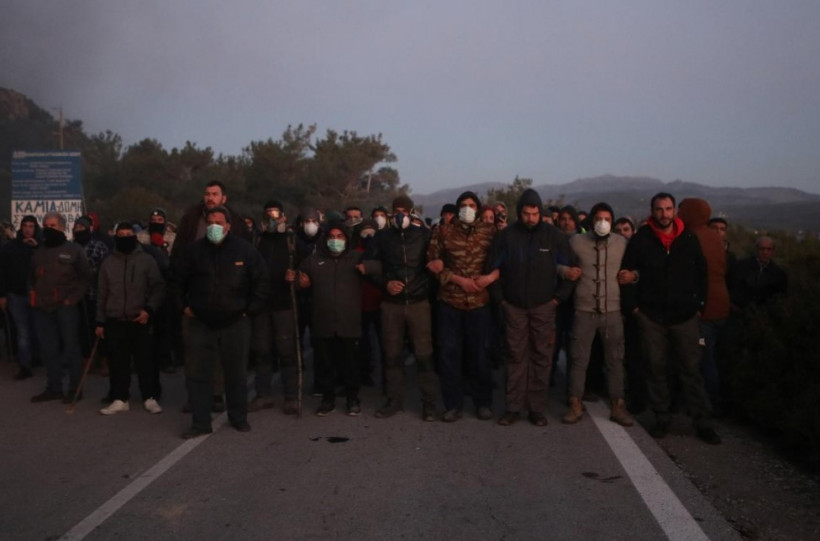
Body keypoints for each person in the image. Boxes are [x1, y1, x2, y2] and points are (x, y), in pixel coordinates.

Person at [619, 193, 720, 445]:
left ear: (675, 211)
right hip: (651, 316)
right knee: (656, 368)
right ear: (652, 211)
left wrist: (699, 307)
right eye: (659, 209)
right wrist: (633, 308)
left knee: (691, 370)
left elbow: (701, 273)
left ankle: (703, 422)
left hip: (685, 316)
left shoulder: (688, 238)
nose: (664, 214)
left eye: (668, 209)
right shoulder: (641, 239)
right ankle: (662, 417)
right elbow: (626, 273)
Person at [173, 206, 269, 438]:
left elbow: (261, 282)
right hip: (200, 322)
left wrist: (250, 310)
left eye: (219, 222)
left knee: (236, 373)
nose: (214, 226)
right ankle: (200, 423)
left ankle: (238, 418)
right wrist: (183, 307)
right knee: (198, 375)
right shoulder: (193, 252)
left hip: (235, 322)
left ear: (228, 225)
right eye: (210, 222)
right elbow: (176, 281)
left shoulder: (245, 251)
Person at [490, 189, 573, 427]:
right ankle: (513, 408)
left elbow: (571, 270)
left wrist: (558, 299)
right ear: (519, 213)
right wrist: (501, 301)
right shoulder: (506, 237)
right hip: (513, 306)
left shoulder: (554, 237)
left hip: (544, 307)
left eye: (535, 213)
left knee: (542, 357)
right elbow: (492, 269)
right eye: (526, 213)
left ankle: (536, 409)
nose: (531, 218)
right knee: (516, 357)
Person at [362, 195, 438, 421]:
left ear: (412, 211)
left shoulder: (424, 235)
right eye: (396, 210)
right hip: (391, 305)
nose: (400, 214)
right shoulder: (382, 238)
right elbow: (369, 267)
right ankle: (394, 401)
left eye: (404, 210)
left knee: (424, 356)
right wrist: (386, 284)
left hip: (418, 304)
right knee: (392, 355)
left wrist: (424, 289)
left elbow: (434, 267)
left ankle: (429, 404)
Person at [427, 191, 497, 422]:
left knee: (480, 356)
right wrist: (460, 281)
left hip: (479, 303)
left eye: (472, 205)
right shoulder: (443, 232)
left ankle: (483, 403)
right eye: (464, 205)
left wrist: (489, 278)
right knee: (449, 355)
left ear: (478, 208)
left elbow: (503, 262)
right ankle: (452, 405)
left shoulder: (490, 233)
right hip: (450, 303)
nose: (468, 208)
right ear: (457, 208)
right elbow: (434, 265)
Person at [561, 202, 633, 427]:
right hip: (584, 310)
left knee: (615, 360)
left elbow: (635, 269)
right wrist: (565, 271)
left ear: (612, 221)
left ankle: (618, 407)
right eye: (599, 218)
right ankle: (575, 404)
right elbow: (556, 264)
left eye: (607, 218)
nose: (603, 222)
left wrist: (634, 275)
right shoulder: (576, 242)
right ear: (592, 220)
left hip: (612, 310)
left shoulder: (622, 243)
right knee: (579, 359)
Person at [95, 222, 165, 415]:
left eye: (128, 234)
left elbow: (158, 287)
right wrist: (100, 321)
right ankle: (120, 398)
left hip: (140, 318)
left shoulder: (147, 260)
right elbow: (102, 293)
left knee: (146, 361)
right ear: (115, 236)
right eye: (121, 234)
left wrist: (149, 310)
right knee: (118, 362)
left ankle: (149, 397)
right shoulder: (108, 262)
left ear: (134, 236)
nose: (125, 237)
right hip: (115, 318)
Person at [297, 222, 364, 416]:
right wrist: (299, 282)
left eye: (340, 236)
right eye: (332, 236)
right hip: (322, 322)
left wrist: (369, 267)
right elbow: (297, 279)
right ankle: (328, 399)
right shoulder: (314, 260)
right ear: (326, 240)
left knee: (350, 364)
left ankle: (352, 399)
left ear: (346, 239)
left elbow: (378, 269)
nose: (336, 240)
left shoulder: (356, 258)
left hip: (349, 322)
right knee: (325, 364)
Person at [29, 212, 91, 403]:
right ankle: (54, 387)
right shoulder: (38, 251)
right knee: (49, 349)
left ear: (63, 227)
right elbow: (31, 277)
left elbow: (85, 278)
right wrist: (32, 295)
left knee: (71, 348)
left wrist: (71, 300)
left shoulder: (74, 250)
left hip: (66, 307)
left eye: (53, 225)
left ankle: (75, 388)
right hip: (42, 308)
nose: (49, 228)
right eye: (46, 225)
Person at [678, 199, 730, 415]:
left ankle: (705, 407)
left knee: (701, 361)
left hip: (704, 308)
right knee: (711, 358)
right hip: (721, 306)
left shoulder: (693, 237)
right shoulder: (715, 238)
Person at [248, 201, 300, 415]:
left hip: (284, 304)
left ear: (283, 217)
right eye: (268, 214)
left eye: (276, 214)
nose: (272, 218)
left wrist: (294, 276)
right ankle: (263, 395)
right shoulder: (255, 240)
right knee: (261, 351)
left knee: (287, 352)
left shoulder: (292, 241)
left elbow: (306, 269)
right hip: (261, 304)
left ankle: (291, 396)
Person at [0, 215, 40, 379]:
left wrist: (36, 248)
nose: (27, 229)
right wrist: (2, 295)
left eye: (31, 226)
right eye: (25, 226)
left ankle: (36, 358)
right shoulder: (10, 248)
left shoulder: (41, 247)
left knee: (37, 329)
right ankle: (25, 365)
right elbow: (2, 272)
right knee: (22, 332)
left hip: (37, 295)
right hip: (16, 294)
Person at [730, 236, 787, 311]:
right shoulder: (742, 265)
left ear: (773, 251)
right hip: (738, 310)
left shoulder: (778, 274)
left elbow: (779, 297)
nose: (765, 252)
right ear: (756, 249)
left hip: (763, 315)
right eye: (762, 249)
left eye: (768, 249)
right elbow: (733, 286)